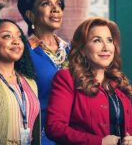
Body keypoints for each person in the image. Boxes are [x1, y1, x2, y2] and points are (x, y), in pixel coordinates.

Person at [46, 17, 132, 145]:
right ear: (82, 50)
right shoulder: (67, 78)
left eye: (109, 40)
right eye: (97, 40)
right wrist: (99, 142)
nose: (106, 47)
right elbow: (54, 127)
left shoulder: (119, 84)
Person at [17, 0, 70, 144]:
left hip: (74, 134)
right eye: (46, 4)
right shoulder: (22, 52)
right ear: (30, 15)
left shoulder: (73, 51)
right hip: (42, 135)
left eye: (58, 4)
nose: (55, 9)